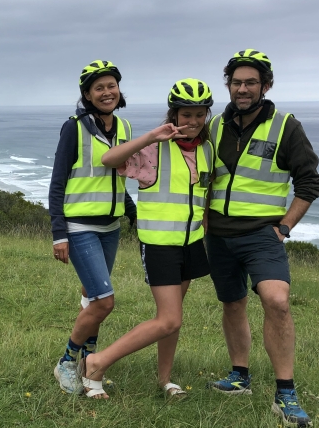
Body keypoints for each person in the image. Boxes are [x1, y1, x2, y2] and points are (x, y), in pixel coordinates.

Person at [204, 49, 319, 427]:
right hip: (218, 236)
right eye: (236, 82)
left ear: (265, 86)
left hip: (261, 235)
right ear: (229, 85)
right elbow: (200, 176)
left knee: (277, 301)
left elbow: (309, 181)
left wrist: (285, 226)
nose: (242, 89)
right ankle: (239, 376)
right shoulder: (215, 125)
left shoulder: (286, 126)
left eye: (250, 82)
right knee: (233, 304)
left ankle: (285, 392)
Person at [78, 78, 216, 399]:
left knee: (174, 319)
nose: (193, 122)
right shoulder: (154, 150)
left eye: (199, 115)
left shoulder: (208, 149)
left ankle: (165, 379)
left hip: (191, 244)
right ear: (173, 116)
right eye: (186, 115)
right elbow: (110, 159)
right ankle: (97, 363)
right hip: (159, 245)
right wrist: (152, 135)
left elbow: (203, 195)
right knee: (168, 319)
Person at [49, 60, 137, 395]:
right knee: (104, 302)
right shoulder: (74, 127)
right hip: (80, 226)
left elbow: (118, 180)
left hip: (110, 226)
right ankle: (67, 362)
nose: (106, 92)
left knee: (91, 298)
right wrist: (59, 233)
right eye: (98, 88)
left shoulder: (124, 128)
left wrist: (132, 214)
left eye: (111, 85)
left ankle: (89, 365)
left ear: (119, 89)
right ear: (87, 94)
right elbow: (58, 182)